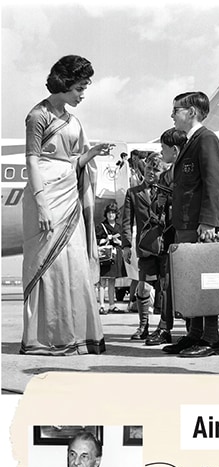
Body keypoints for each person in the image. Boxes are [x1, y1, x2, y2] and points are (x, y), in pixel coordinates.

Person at [20, 55, 113, 356]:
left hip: (69, 197)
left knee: (73, 264)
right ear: (64, 84)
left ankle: (76, 335)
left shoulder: (74, 121)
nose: (83, 94)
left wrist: (91, 154)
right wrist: (42, 204)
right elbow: (33, 161)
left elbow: (71, 161)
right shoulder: (38, 116)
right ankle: (47, 337)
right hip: (45, 196)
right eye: (79, 88)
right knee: (49, 266)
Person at [162, 91, 219, 358]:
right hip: (186, 224)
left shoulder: (206, 139)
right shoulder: (190, 141)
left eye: (176, 109)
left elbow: (214, 181)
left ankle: (211, 339)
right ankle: (194, 334)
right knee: (191, 281)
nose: (173, 114)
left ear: (192, 112)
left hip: (200, 226)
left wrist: (209, 221)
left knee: (205, 282)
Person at [145, 127, 187, 346]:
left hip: (188, 232)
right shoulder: (165, 176)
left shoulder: (189, 172)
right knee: (167, 282)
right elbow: (155, 206)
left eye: (163, 148)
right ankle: (164, 326)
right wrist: (159, 203)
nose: (161, 153)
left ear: (174, 149)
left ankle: (192, 329)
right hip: (169, 235)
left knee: (189, 281)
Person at [122, 152, 168, 340]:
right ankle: (143, 326)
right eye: (149, 168)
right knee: (143, 288)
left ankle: (163, 327)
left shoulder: (168, 192)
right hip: (146, 247)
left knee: (165, 288)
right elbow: (126, 221)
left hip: (166, 246)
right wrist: (126, 245)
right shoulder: (133, 193)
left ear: (163, 172)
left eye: (155, 169)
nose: (151, 172)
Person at [96, 201, 126, 314]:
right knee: (103, 281)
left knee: (112, 281)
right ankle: (102, 305)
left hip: (115, 255)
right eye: (109, 213)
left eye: (113, 213)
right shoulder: (100, 226)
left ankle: (112, 305)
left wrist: (118, 241)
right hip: (105, 255)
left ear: (116, 214)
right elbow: (95, 240)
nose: (111, 215)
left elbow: (124, 242)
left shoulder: (119, 227)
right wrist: (105, 240)